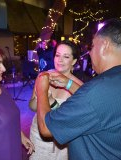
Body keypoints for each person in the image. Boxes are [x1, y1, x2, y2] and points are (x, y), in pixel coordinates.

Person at [35, 18, 121, 160]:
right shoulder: (111, 83)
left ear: (105, 45)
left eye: (92, 46)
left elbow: (46, 128)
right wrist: (69, 84)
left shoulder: (96, 90)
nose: (90, 53)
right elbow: (99, 108)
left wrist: (41, 89)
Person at [29, 40, 83, 160]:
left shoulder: (78, 86)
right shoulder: (43, 76)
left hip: (61, 143)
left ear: (74, 61)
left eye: (66, 56)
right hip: (38, 136)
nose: (60, 60)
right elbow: (32, 107)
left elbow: (70, 121)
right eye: (57, 55)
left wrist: (50, 100)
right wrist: (39, 96)